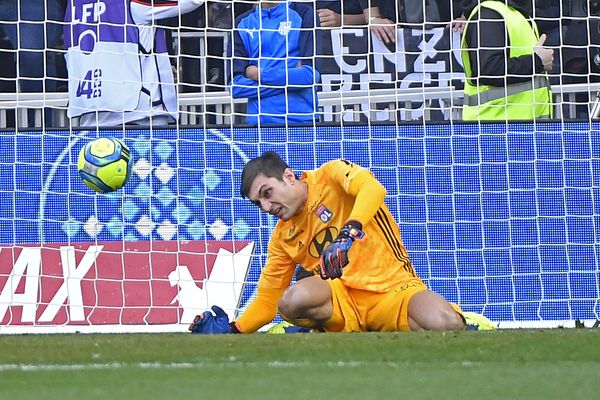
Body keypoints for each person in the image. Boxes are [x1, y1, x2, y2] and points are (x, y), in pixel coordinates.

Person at [189, 151, 495, 334]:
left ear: (289, 176)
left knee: (445, 326)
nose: (267, 207)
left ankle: (464, 317)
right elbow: (269, 302)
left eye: (267, 193)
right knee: (290, 301)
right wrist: (232, 330)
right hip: (341, 301)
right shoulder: (282, 237)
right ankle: (321, 327)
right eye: (259, 204)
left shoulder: (331, 175)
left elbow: (373, 189)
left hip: (392, 289)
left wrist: (348, 233)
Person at [64, 0, 204, 128]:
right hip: (141, 115)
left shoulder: (74, 6)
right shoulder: (133, 3)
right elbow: (193, 1)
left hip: (91, 118)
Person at [459, 0, 554, 121]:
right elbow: (489, 69)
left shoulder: (512, 12)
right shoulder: (489, 14)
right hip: (495, 129)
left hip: (518, 126)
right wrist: (537, 61)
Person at [229, 0, 320, 126]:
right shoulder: (242, 23)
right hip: (258, 124)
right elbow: (236, 87)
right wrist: (291, 76)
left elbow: (310, 76)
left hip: (302, 121)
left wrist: (259, 75)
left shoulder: (304, 14)